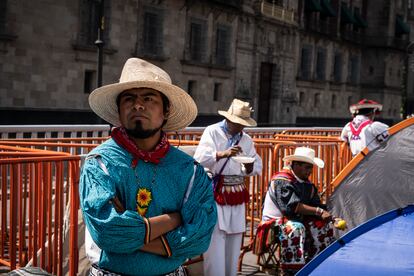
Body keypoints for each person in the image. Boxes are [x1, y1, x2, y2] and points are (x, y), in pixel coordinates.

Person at [79, 58, 217, 276]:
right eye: (129, 98)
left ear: (166, 111)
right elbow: (108, 232)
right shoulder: (100, 163)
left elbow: (198, 239)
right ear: (119, 109)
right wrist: (176, 219)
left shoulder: (189, 170)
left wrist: (131, 232)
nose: (138, 105)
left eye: (149, 98)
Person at [193, 98, 263, 276]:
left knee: (234, 237)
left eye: (243, 124)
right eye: (238, 123)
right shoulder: (213, 132)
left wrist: (249, 167)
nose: (240, 127)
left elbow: (257, 165)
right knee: (216, 238)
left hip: (237, 193)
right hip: (216, 190)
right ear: (229, 119)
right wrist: (221, 154)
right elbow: (200, 158)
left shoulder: (246, 139)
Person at [260, 147, 335, 275]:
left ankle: (316, 263)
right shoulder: (281, 180)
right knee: (295, 228)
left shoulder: (307, 184)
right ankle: (292, 270)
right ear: (295, 165)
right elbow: (291, 207)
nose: (310, 171)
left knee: (325, 225)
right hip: (275, 222)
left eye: (311, 168)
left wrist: (330, 216)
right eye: (307, 167)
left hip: (296, 218)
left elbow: (316, 205)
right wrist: (318, 211)